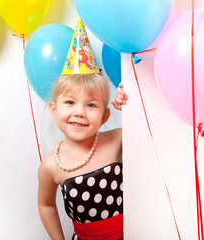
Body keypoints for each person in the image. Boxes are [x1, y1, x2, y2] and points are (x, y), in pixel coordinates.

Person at [37, 18, 128, 240]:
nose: (79, 112)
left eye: (91, 105)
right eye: (69, 102)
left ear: (105, 116)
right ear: (54, 109)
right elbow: (46, 205)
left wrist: (128, 104)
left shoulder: (117, 140)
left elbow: (147, 132)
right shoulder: (51, 165)